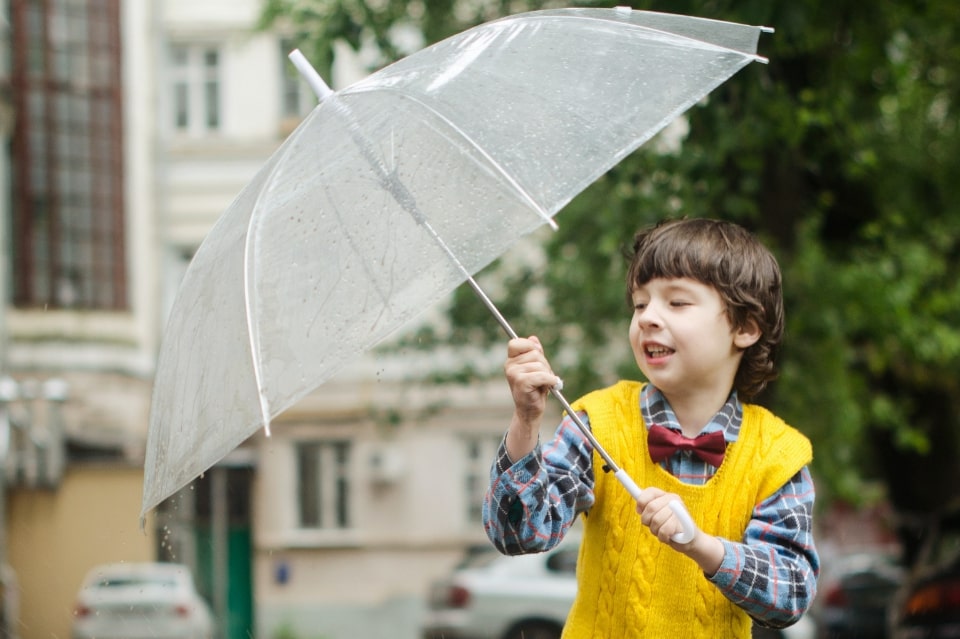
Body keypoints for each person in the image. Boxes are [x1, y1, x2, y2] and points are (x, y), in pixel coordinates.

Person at [482, 217, 818, 637]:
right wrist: (526, 419)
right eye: (640, 304)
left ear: (746, 327)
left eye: (676, 303)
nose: (647, 318)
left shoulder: (777, 454)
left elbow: (790, 595)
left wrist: (702, 546)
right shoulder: (598, 422)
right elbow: (519, 535)